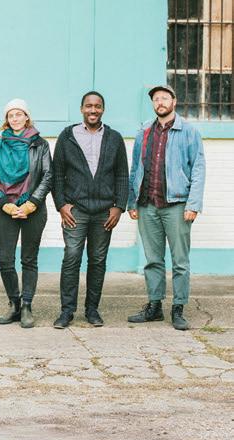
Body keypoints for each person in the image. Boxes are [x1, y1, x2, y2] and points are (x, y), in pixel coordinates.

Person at [126, 85, 206, 331]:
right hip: (147, 205)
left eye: (164, 98)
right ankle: (154, 306)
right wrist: (132, 201)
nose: (160, 102)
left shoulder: (189, 132)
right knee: (153, 260)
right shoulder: (144, 132)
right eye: (156, 99)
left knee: (180, 261)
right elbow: (135, 168)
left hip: (177, 205)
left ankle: (178, 308)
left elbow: (198, 169)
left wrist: (193, 204)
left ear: (174, 101)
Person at [51, 91, 128, 329]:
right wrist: (61, 204)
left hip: (104, 212)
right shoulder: (67, 136)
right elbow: (57, 174)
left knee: (98, 260)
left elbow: (122, 175)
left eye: (97, 106)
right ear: (82, 109)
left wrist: (119, 207)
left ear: (103, 109)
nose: (93, 110)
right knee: (72, 257)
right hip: (76, 211)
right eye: (88, 106)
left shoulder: (115, 138)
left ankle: (92, 310)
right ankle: (67, 311)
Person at [0, 99, 52, 329]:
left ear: (27, 117)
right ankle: (14, 304)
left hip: (33, 208)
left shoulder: (40, 144)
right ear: (7, 119)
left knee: (28, 259)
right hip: (8, 208)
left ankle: (26, 306)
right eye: (10, 115)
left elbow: (47, 175)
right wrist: (5, 203)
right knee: (5, 260)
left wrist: (31, 203)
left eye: (19, 114)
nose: (14, 118)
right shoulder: (0, 145)